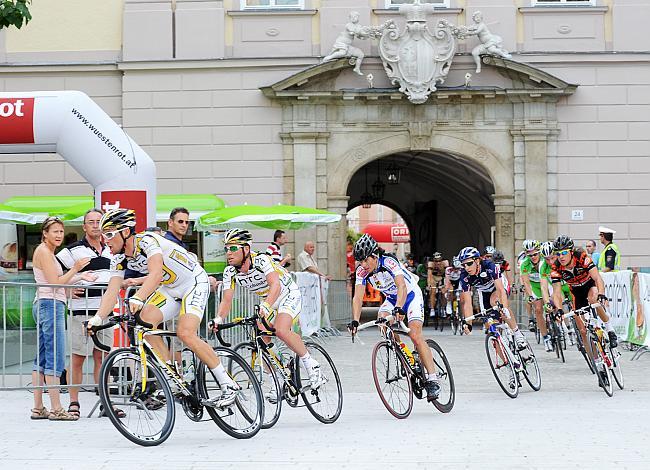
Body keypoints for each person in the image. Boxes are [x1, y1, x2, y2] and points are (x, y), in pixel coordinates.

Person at [87, 209, 240, 408]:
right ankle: (173, 380)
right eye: (102, 235)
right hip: (171, 288)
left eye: (109, 234)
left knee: (185, 333)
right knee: (144, 324)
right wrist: (98, 318)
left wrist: (139, 298)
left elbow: (156, 273)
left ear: (125, 232)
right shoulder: (117, 258)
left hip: (193, 282)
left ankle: (228, 384)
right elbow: (112, 290)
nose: (105, 240)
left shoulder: (147, 241)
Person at [214, 229, 325, 390]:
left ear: (246, 249)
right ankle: (279, 377)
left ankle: (312, 365)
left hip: (286, 293)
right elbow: (226, 300)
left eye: (233, 248)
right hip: (268, 300)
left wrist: (266, 306)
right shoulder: (229, 272)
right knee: (261, 339)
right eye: (226, 249)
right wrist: (218, 319)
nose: (228, 253)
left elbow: (275, 285)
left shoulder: (261, 260)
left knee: (281, 330)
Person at [348, 234, 440, 401]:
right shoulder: (362, 271)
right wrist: (355, 320)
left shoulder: (389, 262)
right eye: (359, 261)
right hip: (391, 299)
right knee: (382, 322)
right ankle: (407, 357)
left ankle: (433, 379)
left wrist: (399, 308)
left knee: (415, 334)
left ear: (374, 256)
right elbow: (358, 297)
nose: (362, 265)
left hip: (410, 295)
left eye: (365, 260)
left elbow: (401, 286)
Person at [31, 217, 96, 421]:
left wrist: (80, 277)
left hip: (47, 304)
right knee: (55, 356)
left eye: (61, 231)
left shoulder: (47, 252)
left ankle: (39, 407)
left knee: (42, 358)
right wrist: (76, 270)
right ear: (45, 233)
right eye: (55, 232)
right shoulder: (44, 252)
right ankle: (57, 408)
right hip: (49, 305)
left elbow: (57, 281)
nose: (59, 235)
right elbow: (54, 283)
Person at [56, 208, 114, 419]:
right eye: (91, 221)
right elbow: (54, 276)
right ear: (84, 226)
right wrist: (68, 289)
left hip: (105, 310)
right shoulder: (71, 250)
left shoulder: (112, 249)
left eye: (99, 221)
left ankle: (105, 403)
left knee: (103, 357)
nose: (95, 225)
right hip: (81, 310)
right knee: (78, 358)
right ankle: (74, 402)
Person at [550, 235, 618, 351]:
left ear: (571, 252)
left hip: (589, 285)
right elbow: (556, 292)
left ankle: (609, 328)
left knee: (594, 299)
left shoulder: (582, 257)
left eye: (564, 252)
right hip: (576, 292)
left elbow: (597, 278)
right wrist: (559, 309)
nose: (561, 257)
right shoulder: (556, 268)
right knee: (582, 331)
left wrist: (601, 293)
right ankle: (596, 361)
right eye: (558, 253)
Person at [458, 246, 527, 350]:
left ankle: (517, 333)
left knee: (495, 302)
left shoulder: (489, 265)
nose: (466, 267)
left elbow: (500, 290)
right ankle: (510, 363)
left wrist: (504, 308)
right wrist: (468, 323)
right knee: (490, 328)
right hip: (484, 291)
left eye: (469, 263)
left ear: (477, 260)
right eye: (463, 265)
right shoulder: (464, 275)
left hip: (498, 287)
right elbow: (467, 302)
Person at [538, 241, 576, 346]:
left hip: (568, 283)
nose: (550, 261)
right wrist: (546, 302)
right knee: (559, 300)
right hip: (555, 285)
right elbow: (543, 287)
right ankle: (566, 327)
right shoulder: (543, 266)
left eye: (552, 258)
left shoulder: (563, 260)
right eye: (547, 259)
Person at [520, 240, 551, 352]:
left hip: (547, 283)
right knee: (538, 309)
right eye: (530, 255)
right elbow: (526, 283)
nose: (533, 257)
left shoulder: (545, 260)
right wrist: (530, 295)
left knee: (554, 303)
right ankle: (545, 337)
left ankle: (558, 327)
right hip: (534, 285)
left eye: (535, 254)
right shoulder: (525, 263)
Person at [427, 252, 449, 318]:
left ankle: (443, 308)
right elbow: (429, 275)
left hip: (442, 277)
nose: (438, 262)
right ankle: (432, 309)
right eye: (436, 261)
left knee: (443, 292)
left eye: (440, 260)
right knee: (432, 291)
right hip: (434, 277)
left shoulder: (445, 262)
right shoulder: (430, 263)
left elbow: (447, 274)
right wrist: (429, 284)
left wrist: (446, 284)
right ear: (434, 260)